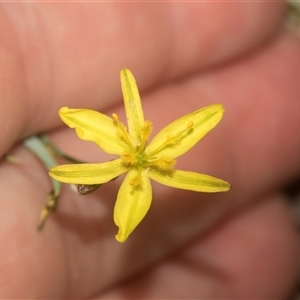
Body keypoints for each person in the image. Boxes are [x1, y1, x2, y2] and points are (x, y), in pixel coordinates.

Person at [0, 2, 299, 298]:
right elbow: (90, 112)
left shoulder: (142, 171)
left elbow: (201, 126)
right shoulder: (121, 148)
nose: (140, 157)